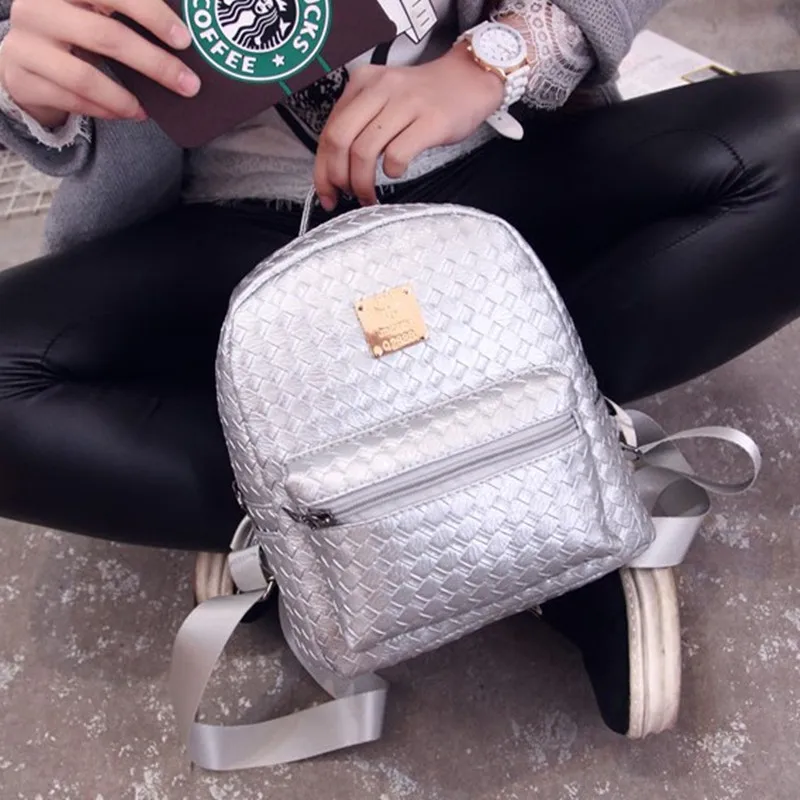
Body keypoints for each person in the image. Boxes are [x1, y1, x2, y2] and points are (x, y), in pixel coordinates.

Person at [0, 0, 798, 741]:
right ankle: (466, 495)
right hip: (229, 228)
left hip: (484, 162)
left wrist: (497, 58)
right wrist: (22, 69)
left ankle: (414, 487)